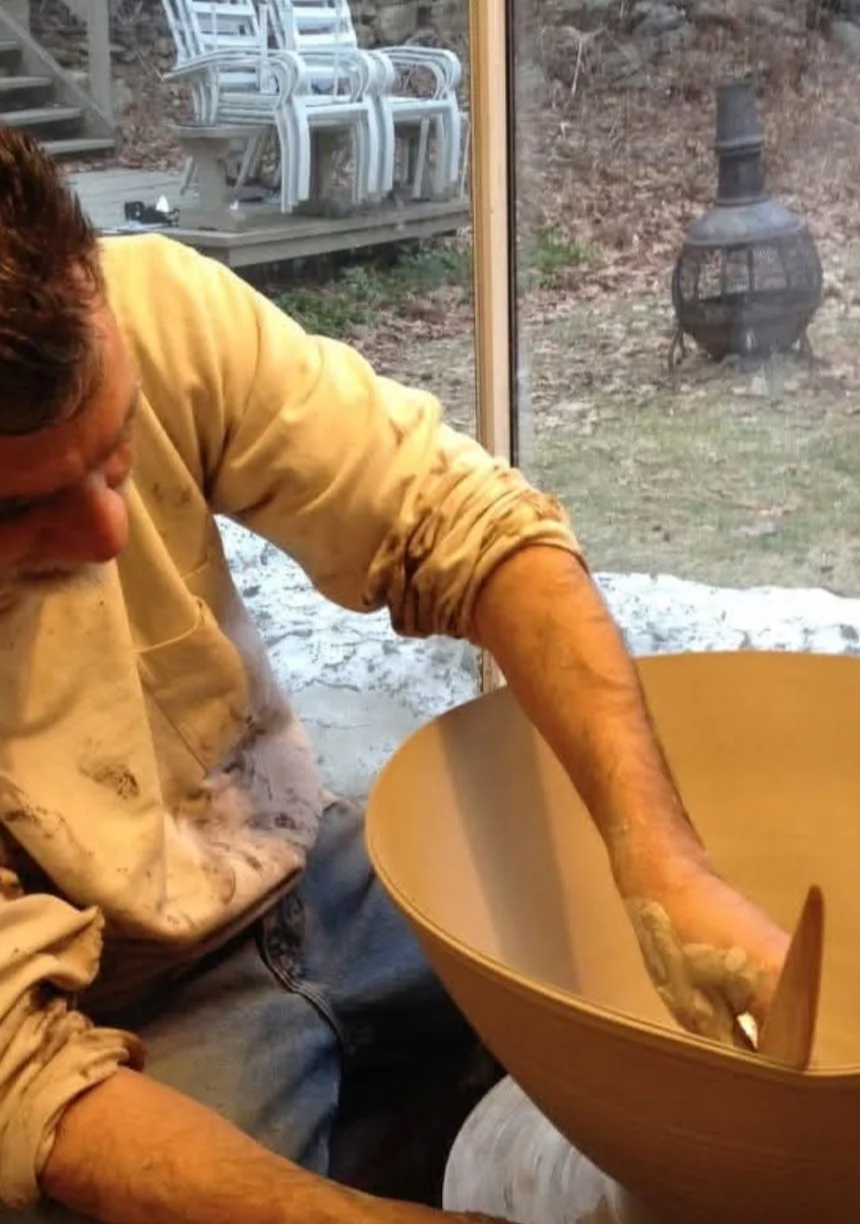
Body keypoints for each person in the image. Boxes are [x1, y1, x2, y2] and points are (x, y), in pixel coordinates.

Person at [0, 127, 790, 1224]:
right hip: (118, 1008)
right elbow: (23, 1075)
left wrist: (666, 866)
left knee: (627, 972)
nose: (104, 528)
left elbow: (468, 523)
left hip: (301, 862)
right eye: (19, 507)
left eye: (116, 442)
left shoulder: (154, 306)